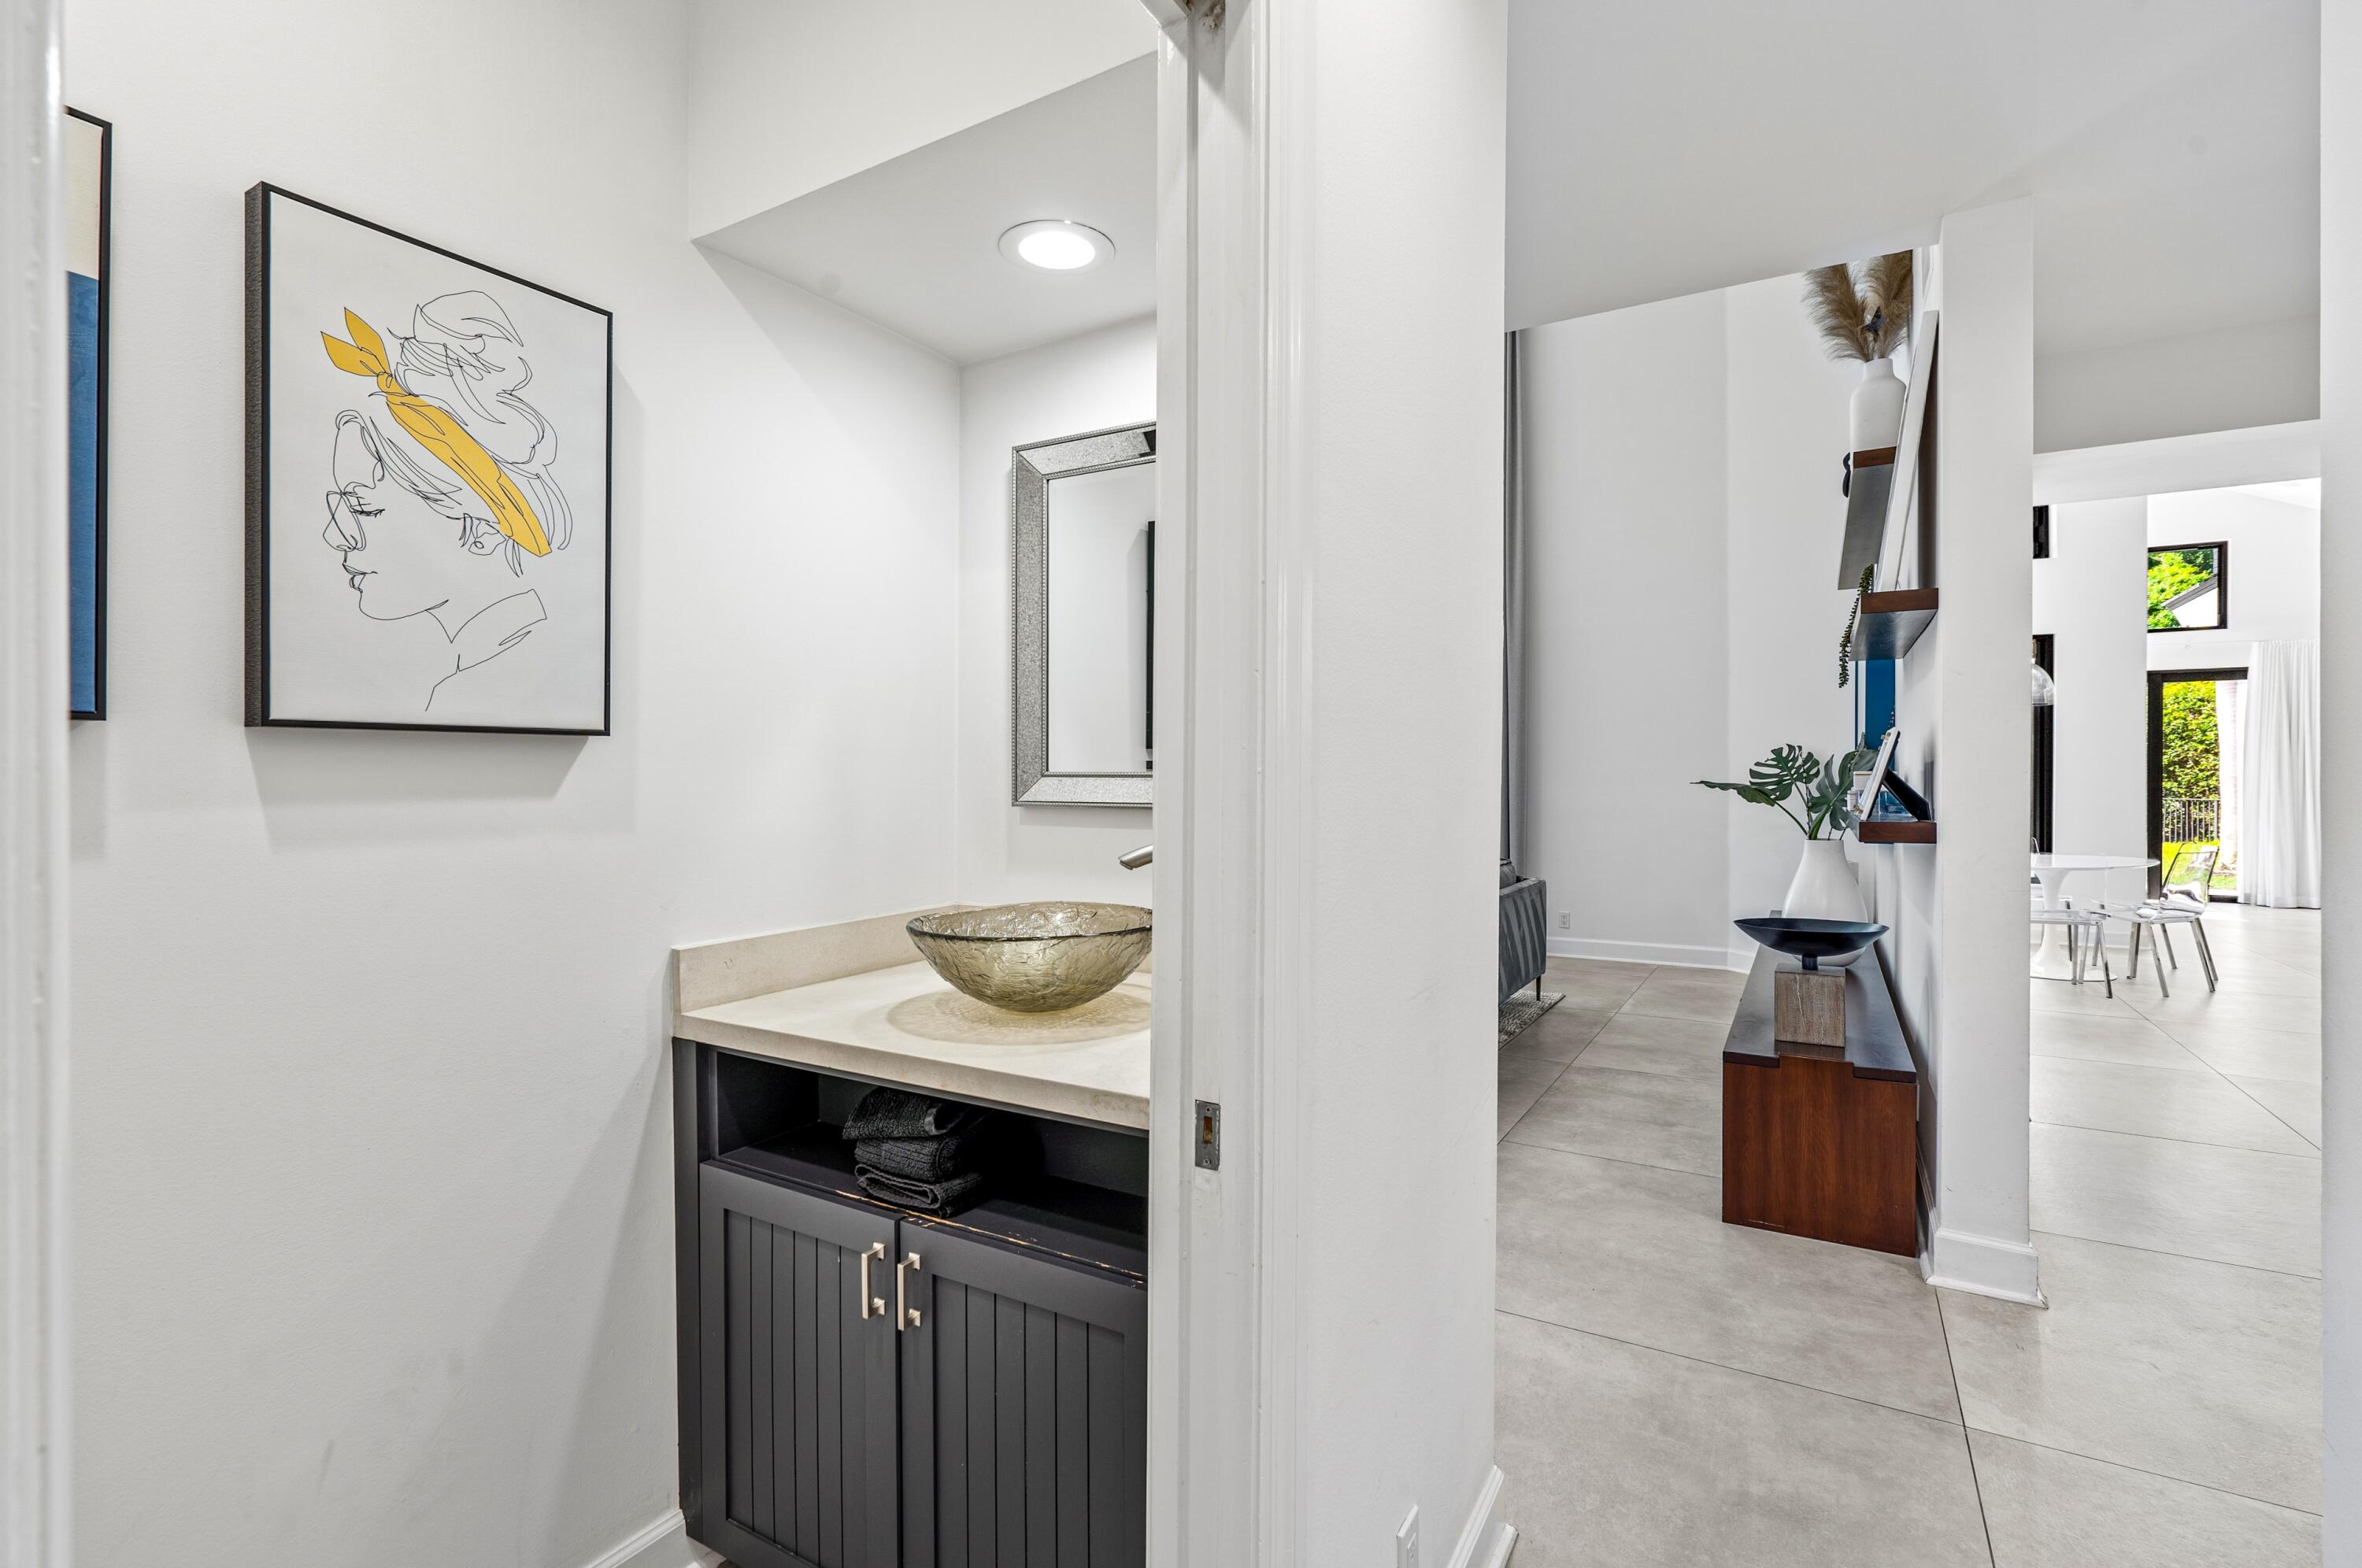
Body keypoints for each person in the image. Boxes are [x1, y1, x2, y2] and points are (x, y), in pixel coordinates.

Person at [319, 293, 572, 712]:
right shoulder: (492, 671)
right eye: (341, 506)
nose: (336, 534)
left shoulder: (484, 691)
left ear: (483, 529)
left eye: (365, 509)